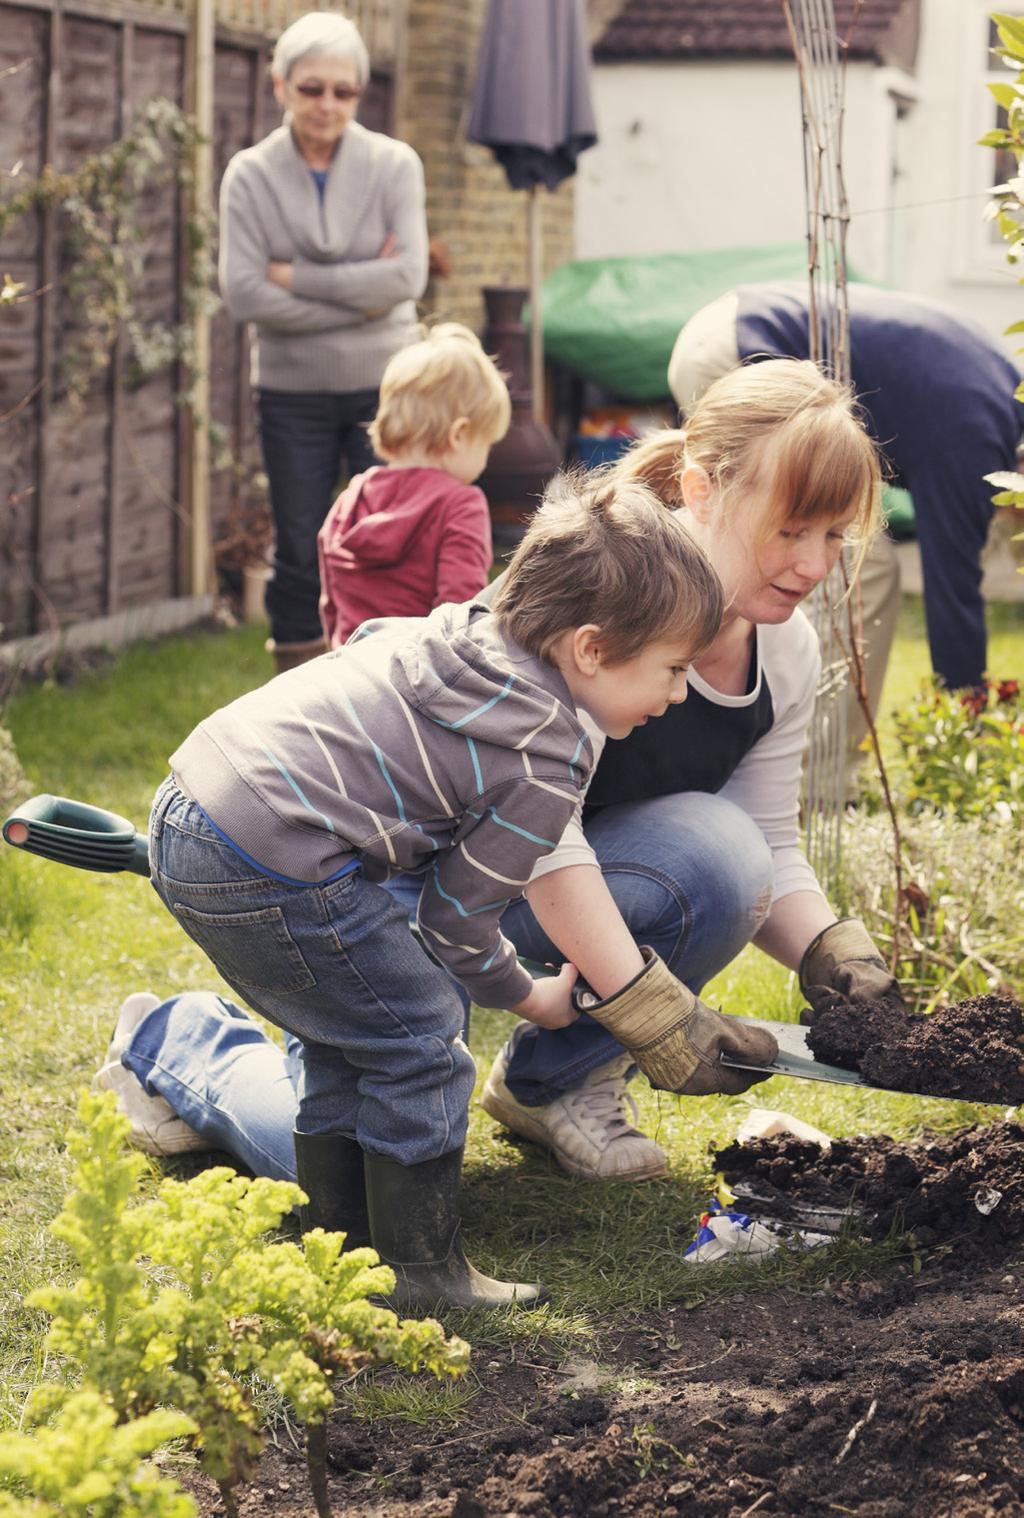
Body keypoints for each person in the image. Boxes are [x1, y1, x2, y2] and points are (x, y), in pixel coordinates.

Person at [98, 360, 899, 1207]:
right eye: (791, 530)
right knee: (337, 1167)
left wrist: (830, 952)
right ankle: (176, 1042)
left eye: (834, 536)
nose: (814, 563)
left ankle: (552, 1087)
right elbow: (546, 832)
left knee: (729, 856)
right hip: (399, 890)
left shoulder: (787, 650)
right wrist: (644, 1006)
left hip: (534, 891)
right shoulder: (609, 592)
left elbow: (768, 837)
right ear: (701, 490)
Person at [97, 473, 779, 1312]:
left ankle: (343, 1251)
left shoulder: (468, 635)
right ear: (592, 649)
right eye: (672, 669)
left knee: (355, 1036)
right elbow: (455, 921)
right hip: (272, 851)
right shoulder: (544, 749)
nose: (678, 694)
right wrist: (529, 997)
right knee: (421, 1032)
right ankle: (423, 1276)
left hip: (199, 802)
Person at [667, 281, 1023, 709]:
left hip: (730, 323)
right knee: (865, 573)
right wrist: (971, 713)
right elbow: (953, 588)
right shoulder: (977, 444)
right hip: (747, 351)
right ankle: (811, 754)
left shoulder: (1004, 393)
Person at [218, 12, 429, 675]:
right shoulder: (248, 175)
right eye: (311, 88)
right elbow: (246, 295)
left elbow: (408, 278)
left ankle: (395, 681)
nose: (327, 105)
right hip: (292, 391)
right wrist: (364, 300)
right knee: (301, 548)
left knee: (394, 536)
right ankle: (298, 693)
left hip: (387, 389)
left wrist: (297, 279)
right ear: (279, 86)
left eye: (343, 91)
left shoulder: (396, 164)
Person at [317, 323, 508, 648]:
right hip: (418, 683)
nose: (486, 459)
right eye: (486, 443)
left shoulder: (350, 498)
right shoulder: (461, 504)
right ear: (459, 435)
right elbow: (460, 621)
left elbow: (331, 605)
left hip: (349, 677)